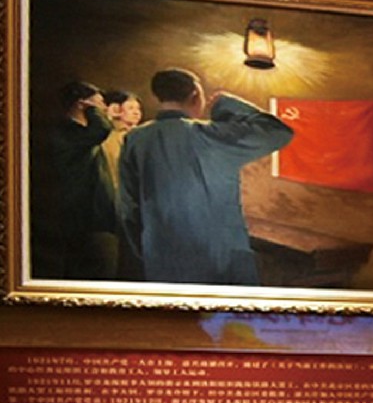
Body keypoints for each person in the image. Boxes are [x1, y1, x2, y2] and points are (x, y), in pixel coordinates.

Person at [115, 68, 294, 287]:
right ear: (195, 96)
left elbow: (129, 207)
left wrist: (146, 250)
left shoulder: (136, 139)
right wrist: (226, 104)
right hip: (222, 256)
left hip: (162, 257)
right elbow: (278, 131)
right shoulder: (212, 134)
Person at [29, 81, 116, 280]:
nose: (105, 108)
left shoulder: (80, 133)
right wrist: (93, 110)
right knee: (82, 268)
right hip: (76, 211)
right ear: (81, 104)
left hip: (86, 212)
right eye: (99, 103)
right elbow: (102, 129)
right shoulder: (68, 132)